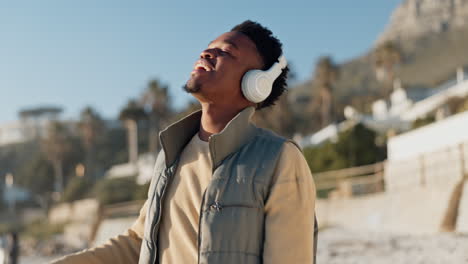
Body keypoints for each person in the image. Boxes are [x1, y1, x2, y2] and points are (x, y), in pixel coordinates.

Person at [53, 20, 317, 264]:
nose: (206, 54)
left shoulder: (279, 159)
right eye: (207, 48)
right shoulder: (171, 155)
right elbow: (139, 243)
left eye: (226, 52)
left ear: (257, 83)